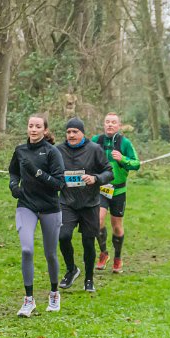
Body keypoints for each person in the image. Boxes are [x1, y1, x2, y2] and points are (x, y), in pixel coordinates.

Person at [8, 114, 65, 317]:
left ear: (45, 130)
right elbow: (13, 171)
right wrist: (13, 185)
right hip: (27, 205)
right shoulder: (20, 150)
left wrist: (37, 172)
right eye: (31, 125)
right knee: (26, 250)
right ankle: (29, 299)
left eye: (38, 126)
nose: (33, 129)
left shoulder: (52, 152)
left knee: (50, 253)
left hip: (49, 207)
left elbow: (59, 184)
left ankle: (54, 293)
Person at [56, 118, 113, 293]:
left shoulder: (94, 149)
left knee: (88, 242)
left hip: (90, 203)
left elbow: (109, 172)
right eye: (68, 132)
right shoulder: (58, 150)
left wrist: (95, 178)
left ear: (82, 133)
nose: (71, 135)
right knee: (63, 236)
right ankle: (71, 269)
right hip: (67, 202)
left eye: (75, 132)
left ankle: (89, 279)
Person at [91, 112, 140, 274]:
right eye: (107, 122)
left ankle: (118, 258)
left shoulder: (124, 143)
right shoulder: (96, 140)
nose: (110, 125)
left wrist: (122, 159)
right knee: (98, 220)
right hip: (101, 189)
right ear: (104, 124)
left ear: (119, 126)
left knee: (117, 227)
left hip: (119, 190)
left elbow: (136, 164)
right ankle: (104, 253)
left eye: (113, 122)